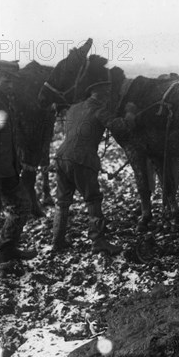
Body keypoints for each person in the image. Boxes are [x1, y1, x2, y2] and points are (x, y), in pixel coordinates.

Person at [52, 64, 137, 254]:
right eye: (107, 92)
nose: (108, 96)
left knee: (62, 201)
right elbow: (120, 127)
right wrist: (130, 114)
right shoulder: (100, 110)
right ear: (103, 93)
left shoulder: (74, 108)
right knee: (93, 199)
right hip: (82, 159)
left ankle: (57, 241)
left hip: (60, 156)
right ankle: (98, 241)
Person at [0, 60, 38, 265]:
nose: (10, 85)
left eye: (12, 81)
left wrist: (16, 163)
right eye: (6, 80)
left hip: (7, 168)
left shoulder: (3, 99)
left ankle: (8, 249)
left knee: (22, 205)